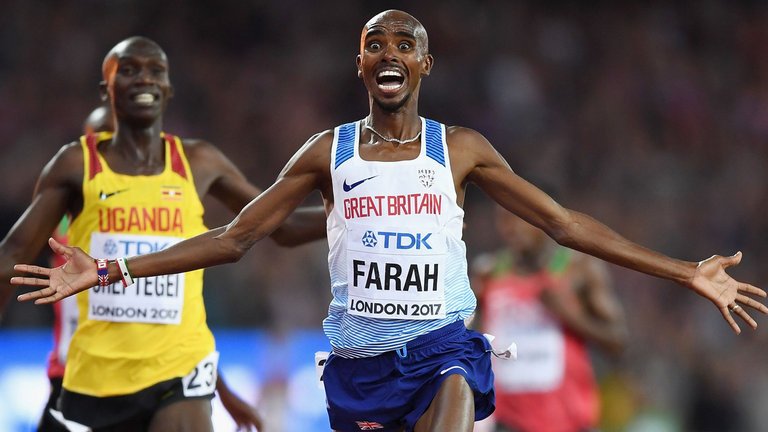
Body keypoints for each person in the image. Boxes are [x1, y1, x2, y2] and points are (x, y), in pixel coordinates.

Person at [11, 10, 767, 432]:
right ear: (362, 64)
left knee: (456, 384)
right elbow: (237, 236)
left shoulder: (460, 150)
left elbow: (564, 223)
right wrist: (111, 267)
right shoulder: (325, 152)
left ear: (425, 66)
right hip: (358, 369)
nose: (390, 52)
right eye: (376, 42)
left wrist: (684, 271)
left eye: (406, 43)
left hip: (439, 347)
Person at [0, 37, 326, 431]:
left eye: (156, 71)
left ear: (169, 88)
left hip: (181, 369)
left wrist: (359, 212)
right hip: (93, 376)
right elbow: (9, 257)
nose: (145, 79)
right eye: (130, 70)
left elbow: (281, 226)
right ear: (107, 89)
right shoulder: (75, 165)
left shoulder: (199, 162)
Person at [32, 105, 270, 432]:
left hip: (159, 380)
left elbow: (172, 324)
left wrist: (222, 391)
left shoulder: (159, 233)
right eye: (100, 141)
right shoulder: (64, 218)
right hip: (77, 379)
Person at [471, 205, 628, 432]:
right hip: (507, 422)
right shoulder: (489, 274)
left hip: (568, 422)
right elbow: (470, 342)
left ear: (542, 221)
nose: (511, 229)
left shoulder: (579, 269)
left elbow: (618, 341)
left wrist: (569, 315)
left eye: (519, 219)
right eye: (504, 220)